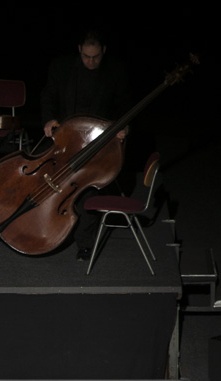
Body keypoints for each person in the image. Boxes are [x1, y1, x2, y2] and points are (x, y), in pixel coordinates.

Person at [40, 31, 131, 260]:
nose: (91, 61)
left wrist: (123, 127)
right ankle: (44, 230)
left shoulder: (115, 71)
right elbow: (49, 95)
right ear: (79, 49)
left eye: (96, 57)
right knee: (47, 178)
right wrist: (49, 119)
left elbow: (123, 104)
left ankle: (85, 243)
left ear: (104, 52)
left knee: (87, 187)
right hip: (66, 138)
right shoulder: (61, 66)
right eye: (87, 57)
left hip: (96, 141)